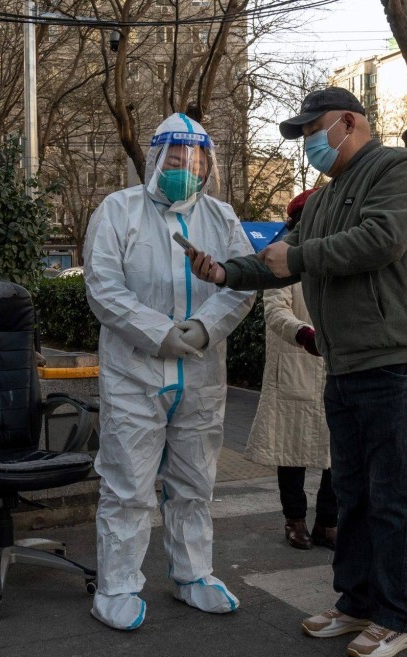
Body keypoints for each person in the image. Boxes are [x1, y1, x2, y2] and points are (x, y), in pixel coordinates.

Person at [186, 86, 407, 657]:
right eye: (302, 135)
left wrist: (297, 259)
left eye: (312, 130)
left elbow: (381, 240)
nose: (308, 144)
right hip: (343, 361)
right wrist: (226, 272)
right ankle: (355, 602)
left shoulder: (398, 169)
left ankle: (397, 617)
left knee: (391, 496)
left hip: (394, 358)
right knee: (351, 492)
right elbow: (278, 256)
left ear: (349, 121)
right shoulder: (325, 198)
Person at [83, 113, 255, 631]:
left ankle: (193, 574)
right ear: (156, 160)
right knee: (128, 485)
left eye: (195, 161)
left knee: (194, 482)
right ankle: (116, 585)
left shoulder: (221, 218)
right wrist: (159, 331)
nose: (185, 169)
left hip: (200, 375)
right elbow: (103, 287)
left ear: (208, 167)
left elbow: (243, 282)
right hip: (135, 373)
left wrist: (204, 327)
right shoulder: (120, 211)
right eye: (175, 160)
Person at [243, 188, 337, 551]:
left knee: (337, 455)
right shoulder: (282, 261)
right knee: (290, 451)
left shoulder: (333, 255)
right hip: (296, 365)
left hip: (333, 368)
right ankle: (294, 521)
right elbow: (274, 310)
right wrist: (303, 332)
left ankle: (328, 523)